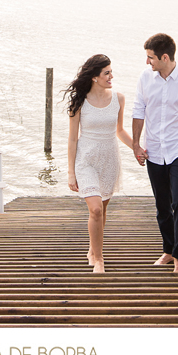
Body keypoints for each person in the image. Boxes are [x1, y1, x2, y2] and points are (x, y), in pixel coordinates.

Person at [131, 33, 178, 274]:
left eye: (150, 58)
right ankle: (168, 249)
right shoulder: (146, 78)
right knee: (162, 205)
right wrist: (136, 144)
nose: (147, 62)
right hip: (153, 150)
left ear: (165, 57)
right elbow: (138, 110)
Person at [65, 54, 133, 273]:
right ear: (94, 77)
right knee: (94, 209)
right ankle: (100, 259)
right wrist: (70, 172)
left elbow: (120, 131)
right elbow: (73, 139)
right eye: (107, 73)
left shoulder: (119, 99)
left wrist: (138, 149)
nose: (111, 76)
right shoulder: (79, 102)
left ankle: (93, 250)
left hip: (109, 160)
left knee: (101, 211)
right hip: (85, 161)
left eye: (111, 71)